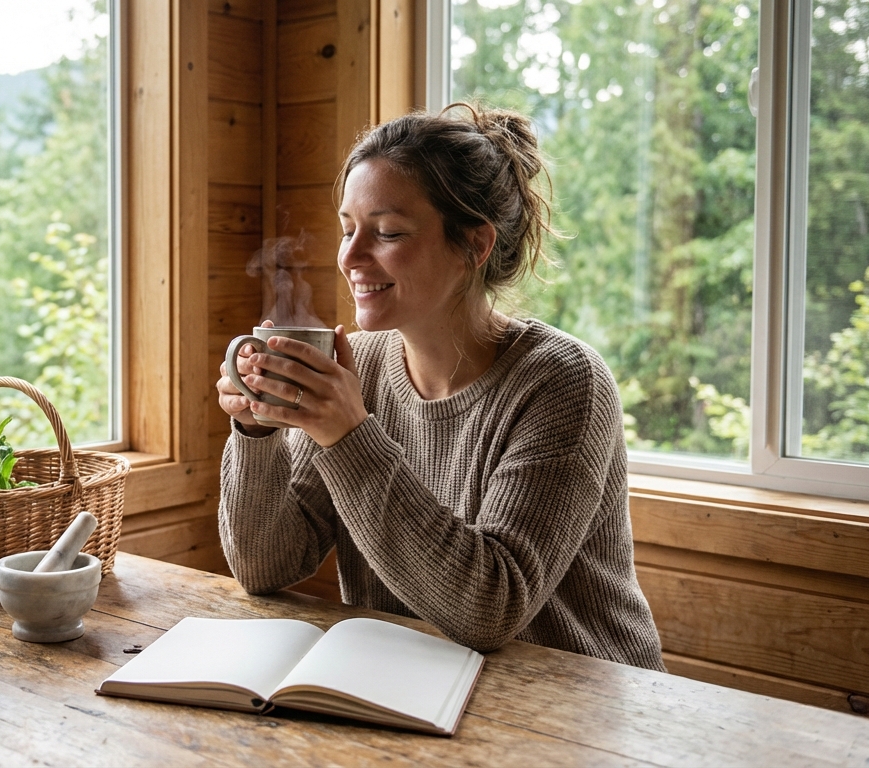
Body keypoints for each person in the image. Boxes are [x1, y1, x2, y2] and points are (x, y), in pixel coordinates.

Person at [214, 103, 665, 671]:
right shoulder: (365, 368)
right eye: (347, 230)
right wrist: (256, 432)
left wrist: (349, 436)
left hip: (576, 705)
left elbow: (489, 608)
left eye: (387, 232)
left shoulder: (564, 383)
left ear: (474, 245)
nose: (350, 258)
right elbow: (265, 567)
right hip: (410, 688)